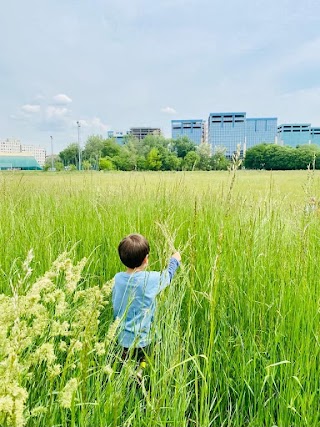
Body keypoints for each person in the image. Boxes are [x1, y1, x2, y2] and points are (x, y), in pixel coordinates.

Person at [112, 233, 181, 365]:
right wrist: (175, 260)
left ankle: (129, 372)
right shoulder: (151, 279)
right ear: (146, 259)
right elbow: (168, 276)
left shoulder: (117, 278)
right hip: (144, 338)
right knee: (146, 357)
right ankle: (140, 371)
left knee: (125, 361)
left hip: (123, 338)